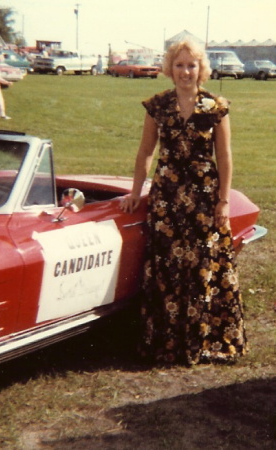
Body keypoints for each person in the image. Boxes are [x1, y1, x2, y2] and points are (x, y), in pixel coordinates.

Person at [121, 39, 247, 366]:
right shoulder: (158, 105)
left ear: (201, 69)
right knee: (168, 266)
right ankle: (167, 343)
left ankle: (205, 341)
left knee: (203, 263)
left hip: (205, 198)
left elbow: (225, 156)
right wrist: (136, 192)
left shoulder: (216, 106)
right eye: (179, 65)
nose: (185, 72)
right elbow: (146, 152)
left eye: (191, 65)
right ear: (169, 68)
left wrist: (223, 202)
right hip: (167, 199)